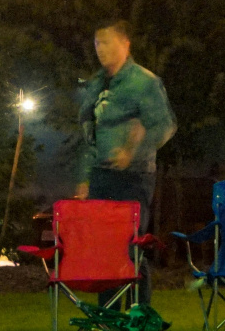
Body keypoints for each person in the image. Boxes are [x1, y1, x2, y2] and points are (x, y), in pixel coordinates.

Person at [75, 20, 176, 308]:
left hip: (133, 177)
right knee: (105, 253)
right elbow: (88, 132)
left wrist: (133, 151)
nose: (100, 49)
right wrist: (85, 177)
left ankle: (137, 316)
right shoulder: (96, 84)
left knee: (131, 248)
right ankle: (109, 318)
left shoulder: (144, 82)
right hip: (100, 177)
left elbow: (164, 126)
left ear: (125, 44)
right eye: (97, 43)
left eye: (106, 42)